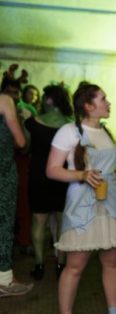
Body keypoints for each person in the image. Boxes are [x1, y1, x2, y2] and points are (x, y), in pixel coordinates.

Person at [46, 82, 116, 314]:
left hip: (110, 203)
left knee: (111, 261)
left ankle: (113, 312)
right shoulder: (69, 131)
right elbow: (52, 169)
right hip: (82, 205)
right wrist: (81, 174)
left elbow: (106, 169)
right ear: (88, 105)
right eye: (103, 99)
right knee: (75, 265)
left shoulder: (106, 130)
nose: (109, 103)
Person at [24, 84, 74, 280]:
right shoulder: (70, 124)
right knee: (62, 222)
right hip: (63, 177)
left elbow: (24, 148)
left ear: (49, 99)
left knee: (39, 222)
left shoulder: (33, 123)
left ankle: (39, 265)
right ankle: (61, 264)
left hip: (39, 177)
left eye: (44, 97)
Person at [0, 77, 33, 298]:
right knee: (3, 224)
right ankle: (4, 280)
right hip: (2, 174)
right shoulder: (4, 101)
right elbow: (21, 142)